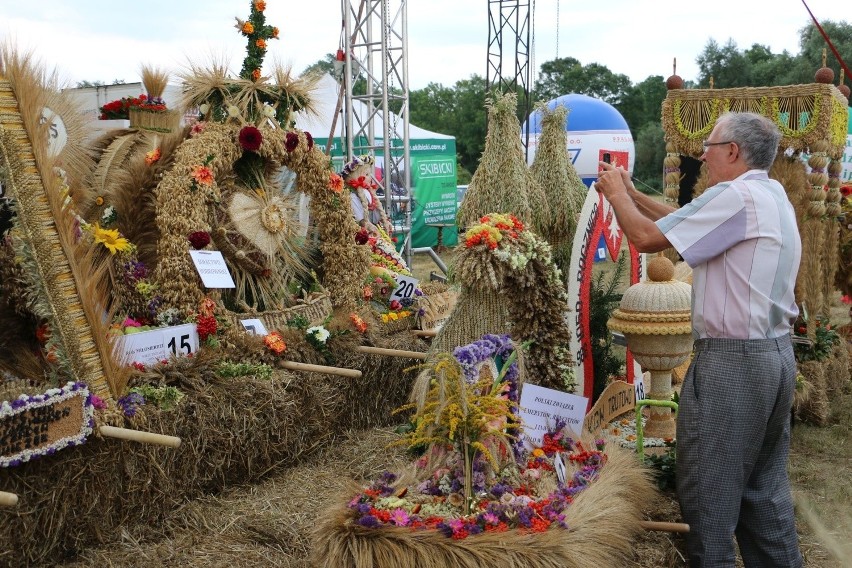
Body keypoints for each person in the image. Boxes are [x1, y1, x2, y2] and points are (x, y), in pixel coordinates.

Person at [596, 111, 803, 567]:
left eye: (708, 148)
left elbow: (648, 238)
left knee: (709, 493)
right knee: (763, 493)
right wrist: (632, 192)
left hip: (734, 363)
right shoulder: (769, 194)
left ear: (732, 151)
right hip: (774, 356)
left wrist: (614, 197)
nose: (703, 157)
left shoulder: (736, 195)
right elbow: (682, 221)